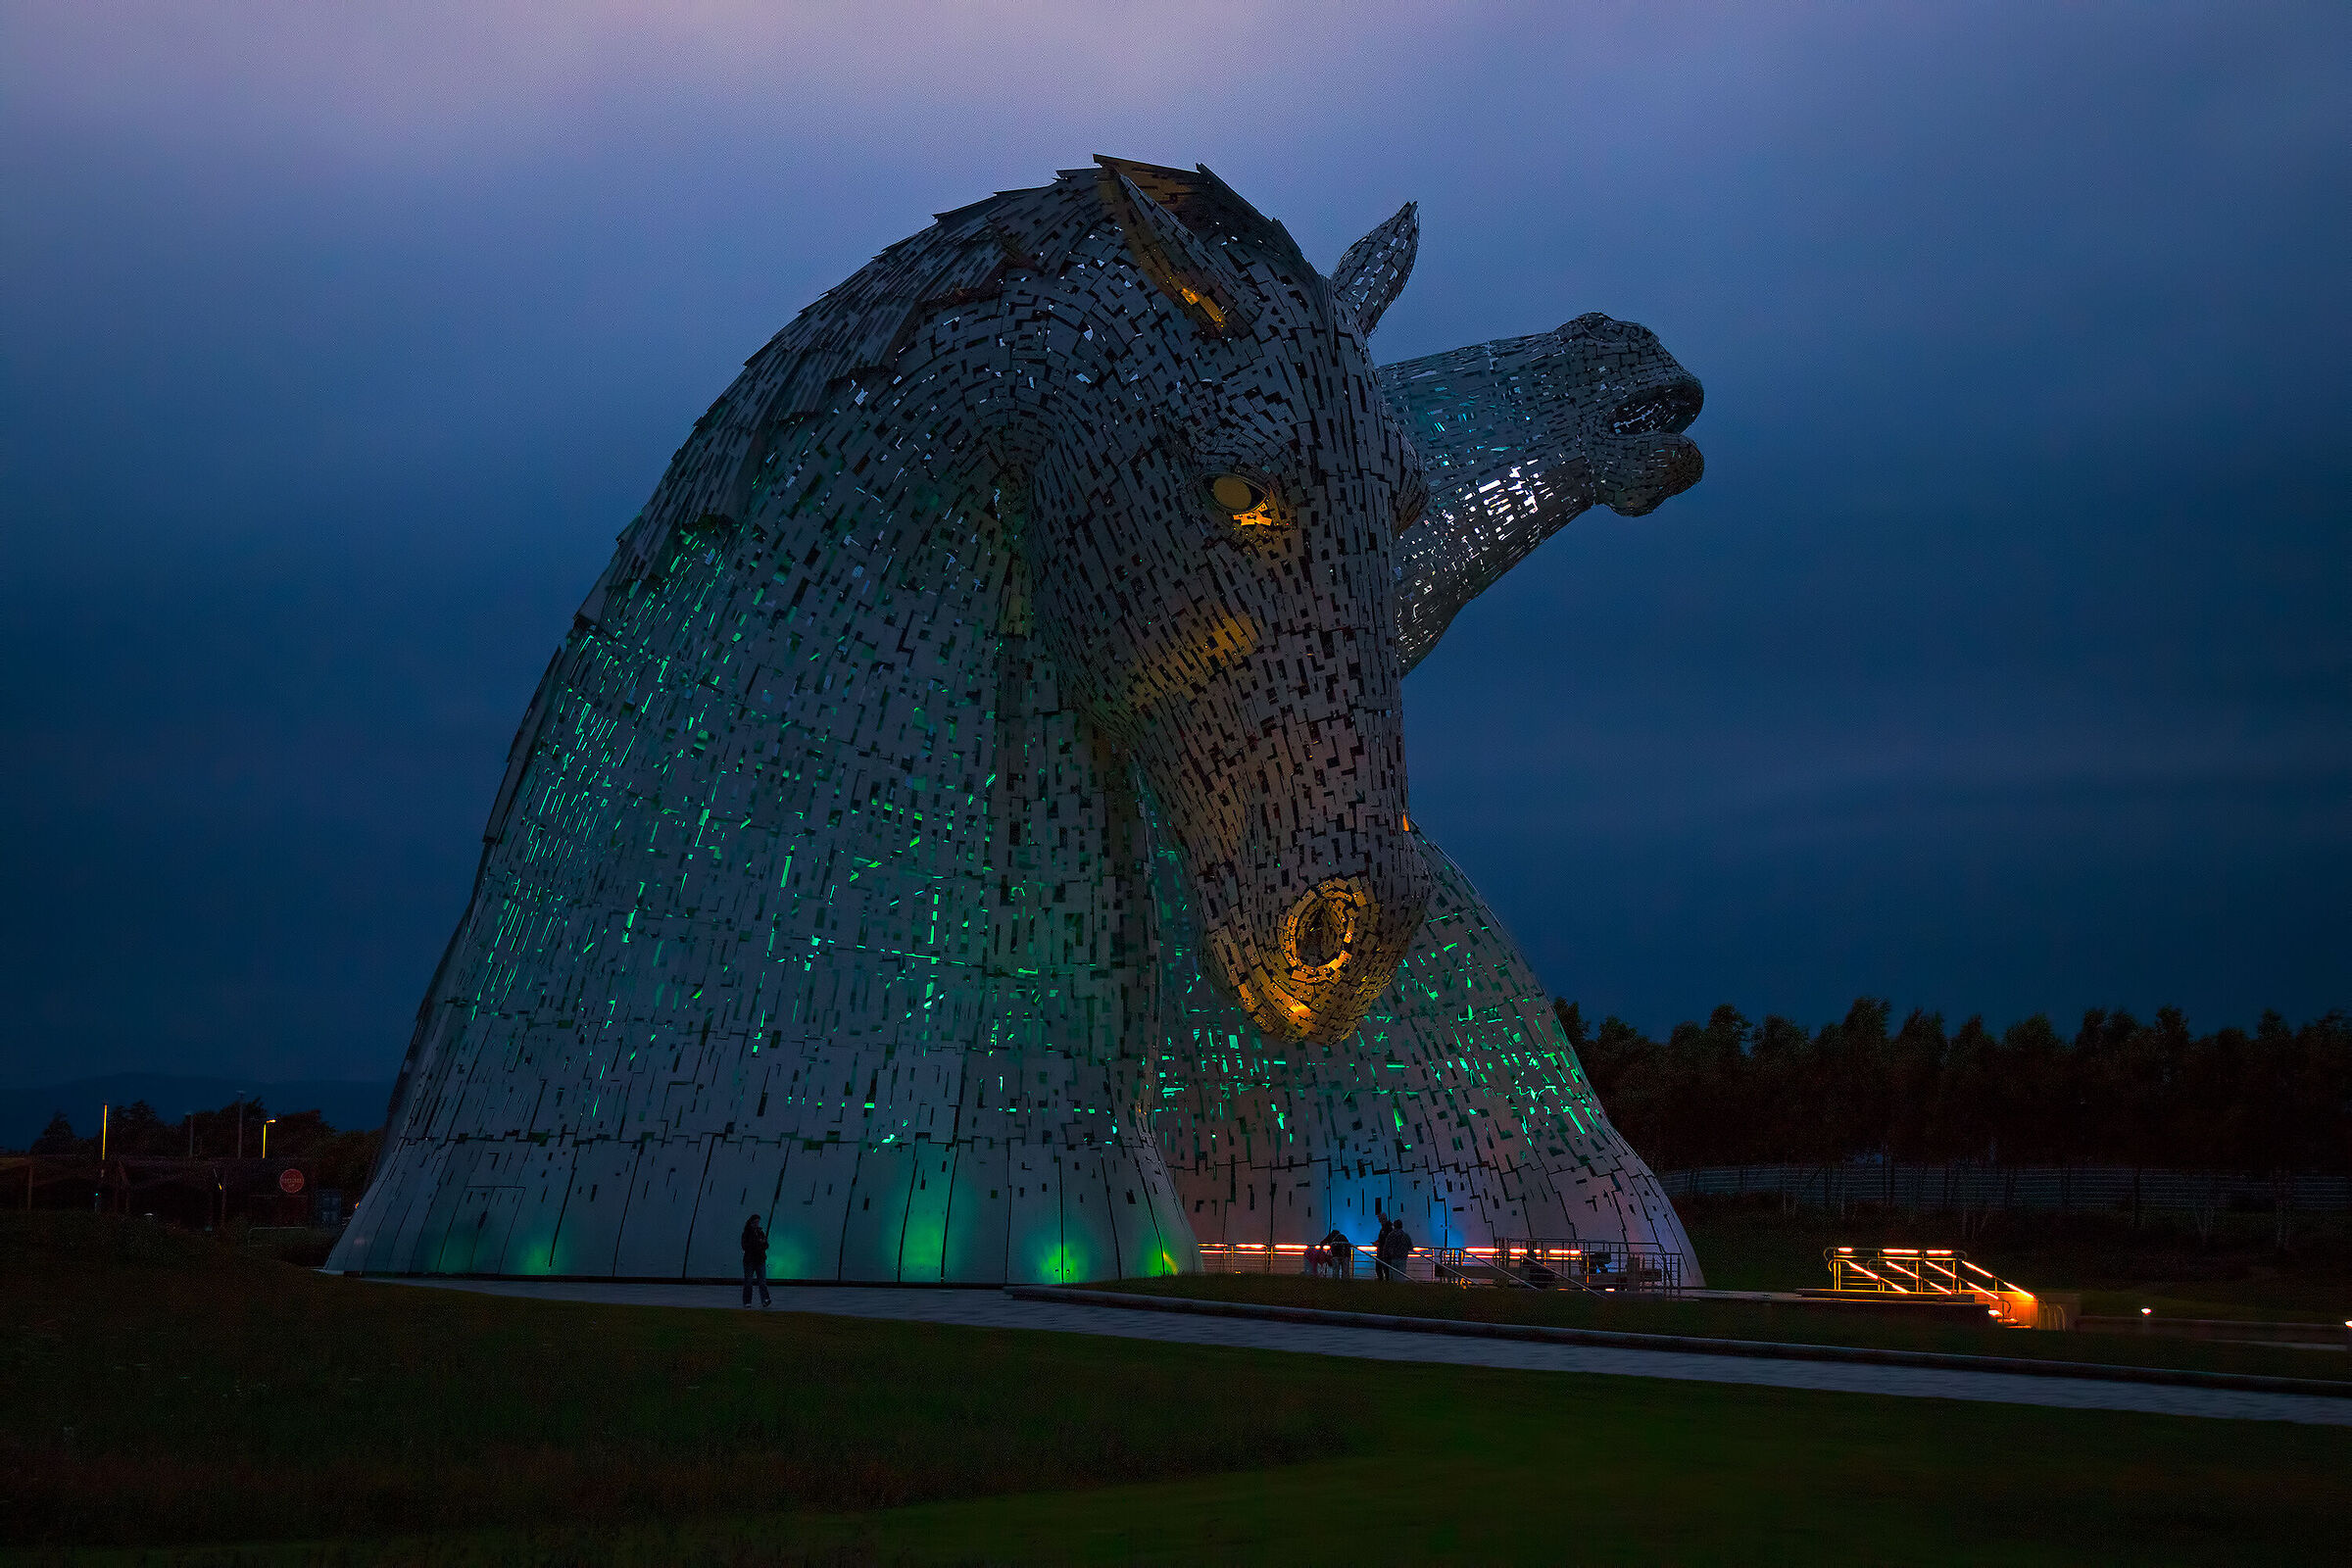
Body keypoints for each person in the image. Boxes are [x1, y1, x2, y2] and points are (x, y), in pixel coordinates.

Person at [741, 1214, 772, 1307]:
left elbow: (766, 1245)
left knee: (762, 1282)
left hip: (760, 1260)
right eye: (755, 1222)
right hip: (750, 1261)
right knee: (748, 1282)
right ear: (751, 1223)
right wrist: (758, 1243)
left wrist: (763, 1243)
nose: (756, 1224)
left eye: (757, 1222)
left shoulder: (760, 1233)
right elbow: (744, 1246)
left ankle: (765, 1299)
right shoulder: (746, 1233)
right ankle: (747, 1301)